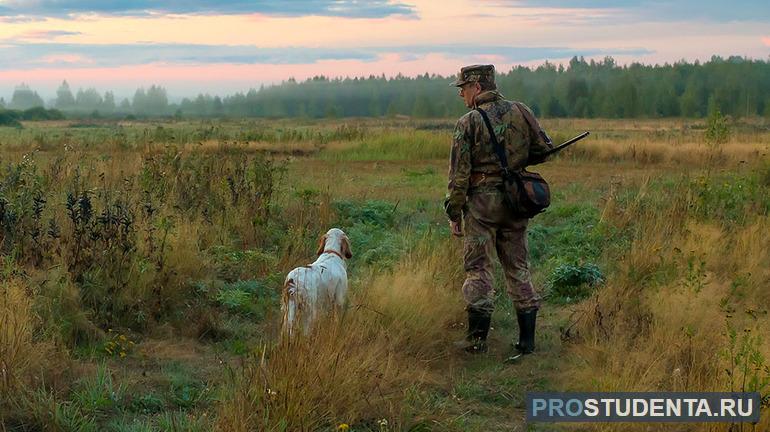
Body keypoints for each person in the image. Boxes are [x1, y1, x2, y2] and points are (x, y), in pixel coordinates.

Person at [444, 64, 553, 358]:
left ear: (477, 87)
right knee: (518, 268)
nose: (462, 94)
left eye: (463, 88)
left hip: (481, 206)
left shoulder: (468, 122)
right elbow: (543, 150)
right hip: (516, 201)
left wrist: (454, 213)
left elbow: (458, 176)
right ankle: (527, 343)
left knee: (478, 269)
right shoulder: (521, 110)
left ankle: (477, 341)